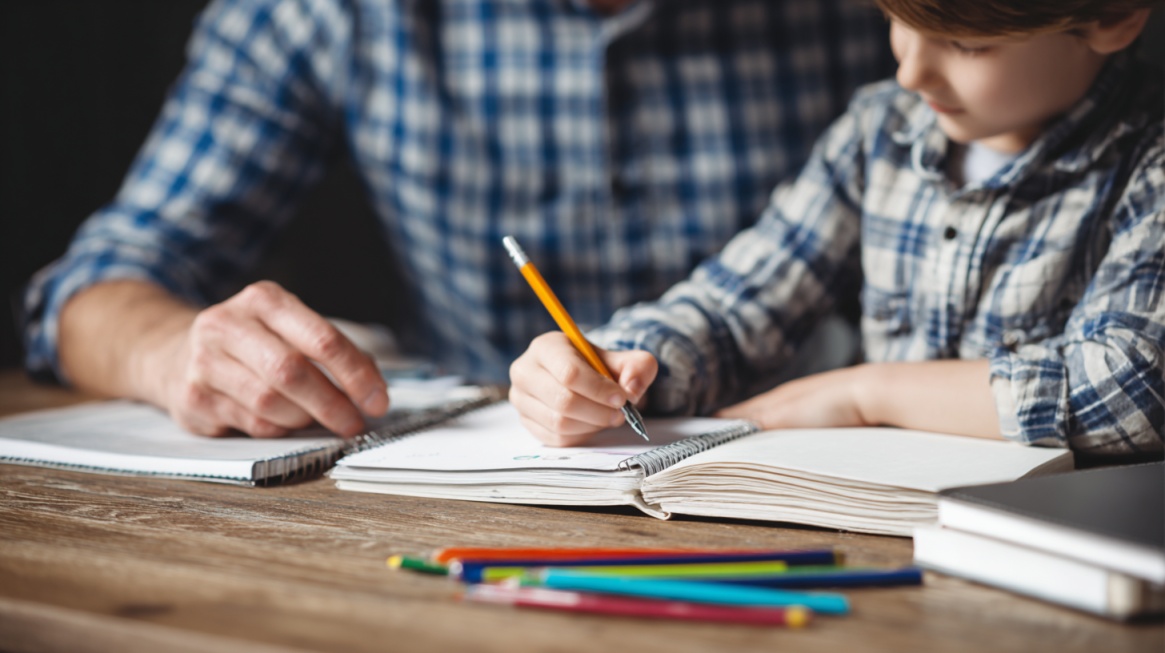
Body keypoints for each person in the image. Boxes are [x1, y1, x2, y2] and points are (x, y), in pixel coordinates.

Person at [21, 1, 894, 439]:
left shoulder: (873, 20)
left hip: (801, 460)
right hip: (477, 494)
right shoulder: (332, 14)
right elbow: (94, 284)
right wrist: (178, 354)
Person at [508, 0, 1165, 456]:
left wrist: (864, 392)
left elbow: (1131, 387)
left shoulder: (1147, 163)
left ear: (1110, 16)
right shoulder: (879, 130)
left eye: (967, 44)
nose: (910, 71)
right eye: (896, 21)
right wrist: (615, 364)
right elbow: (739, 306)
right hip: (866, 516)